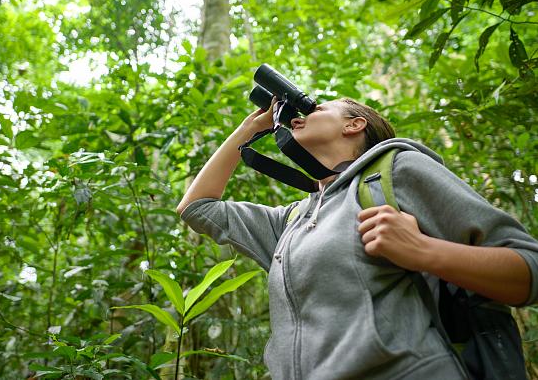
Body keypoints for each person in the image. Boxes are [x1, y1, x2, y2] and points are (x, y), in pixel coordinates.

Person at [176, 97, 538, 380]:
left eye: (316, 108)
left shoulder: (397, 170)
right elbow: (196, 207)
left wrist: (424, 251)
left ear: (354, 124)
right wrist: (247, 129)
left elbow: (529, 270)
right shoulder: (293, 219)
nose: (297, 115)